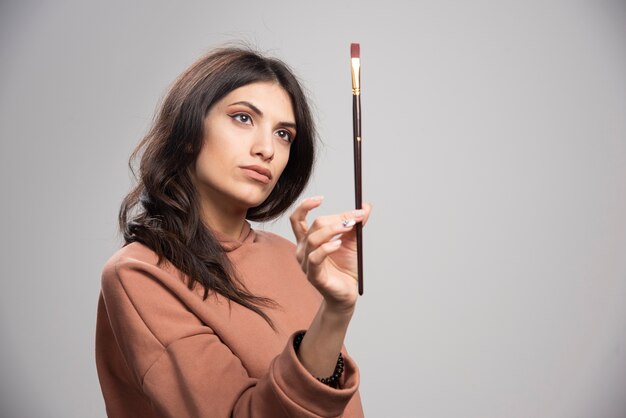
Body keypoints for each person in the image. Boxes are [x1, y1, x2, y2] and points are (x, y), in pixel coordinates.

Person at [95, 47, 371, 417]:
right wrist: (333, 316)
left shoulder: (292, 257)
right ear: (189, 130)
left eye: (284, 134)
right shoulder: (140, 274)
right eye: (243, 118)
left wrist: (337, 309)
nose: (267, 149)